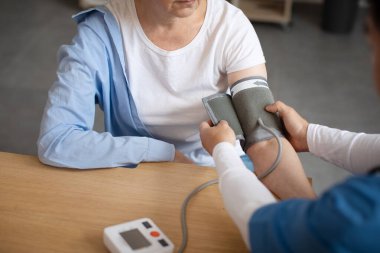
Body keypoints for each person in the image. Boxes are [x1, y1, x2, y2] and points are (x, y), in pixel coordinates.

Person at [37, 0, 314, 199]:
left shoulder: (230, 26)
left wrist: (317, 217)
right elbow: (57, 140)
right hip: (140, 169)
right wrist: (164, 153)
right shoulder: (100, 35)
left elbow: (263, 139)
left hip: (223, 166)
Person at [199, 1, 380, 252]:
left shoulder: (362, 215)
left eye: (371, 47)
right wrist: (308, 135)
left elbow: (257, 222)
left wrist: (222, 149)